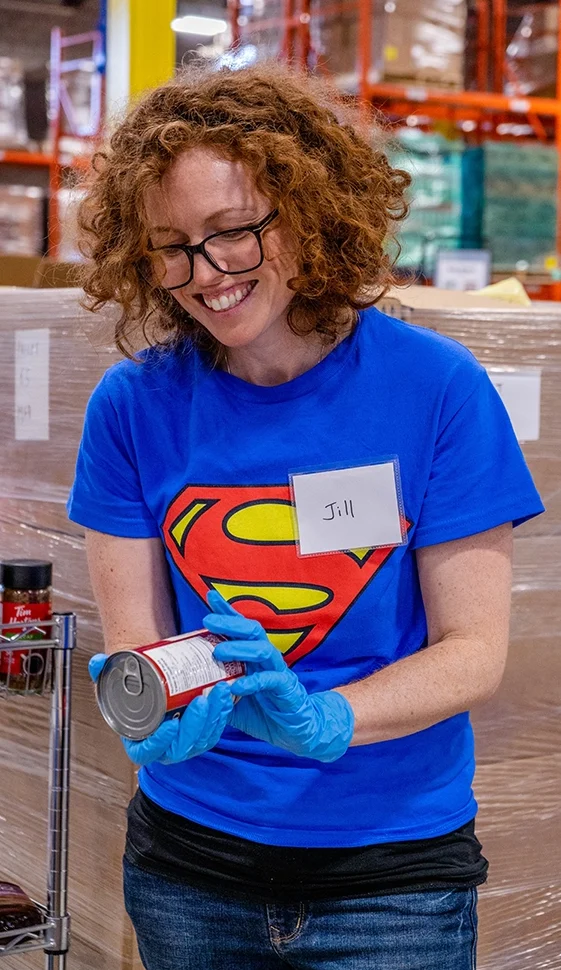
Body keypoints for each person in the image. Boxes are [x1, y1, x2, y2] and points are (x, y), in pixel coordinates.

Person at [68, 62, 544, 970]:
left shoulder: (436, 391)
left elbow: (471, 653)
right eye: (171, 245)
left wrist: (325, 717)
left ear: (308, 211)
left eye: (231, 233)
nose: (203, 274)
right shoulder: (132, 407)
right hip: (189, 869)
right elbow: (143, 643)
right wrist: (148, 710)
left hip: (389, 882)